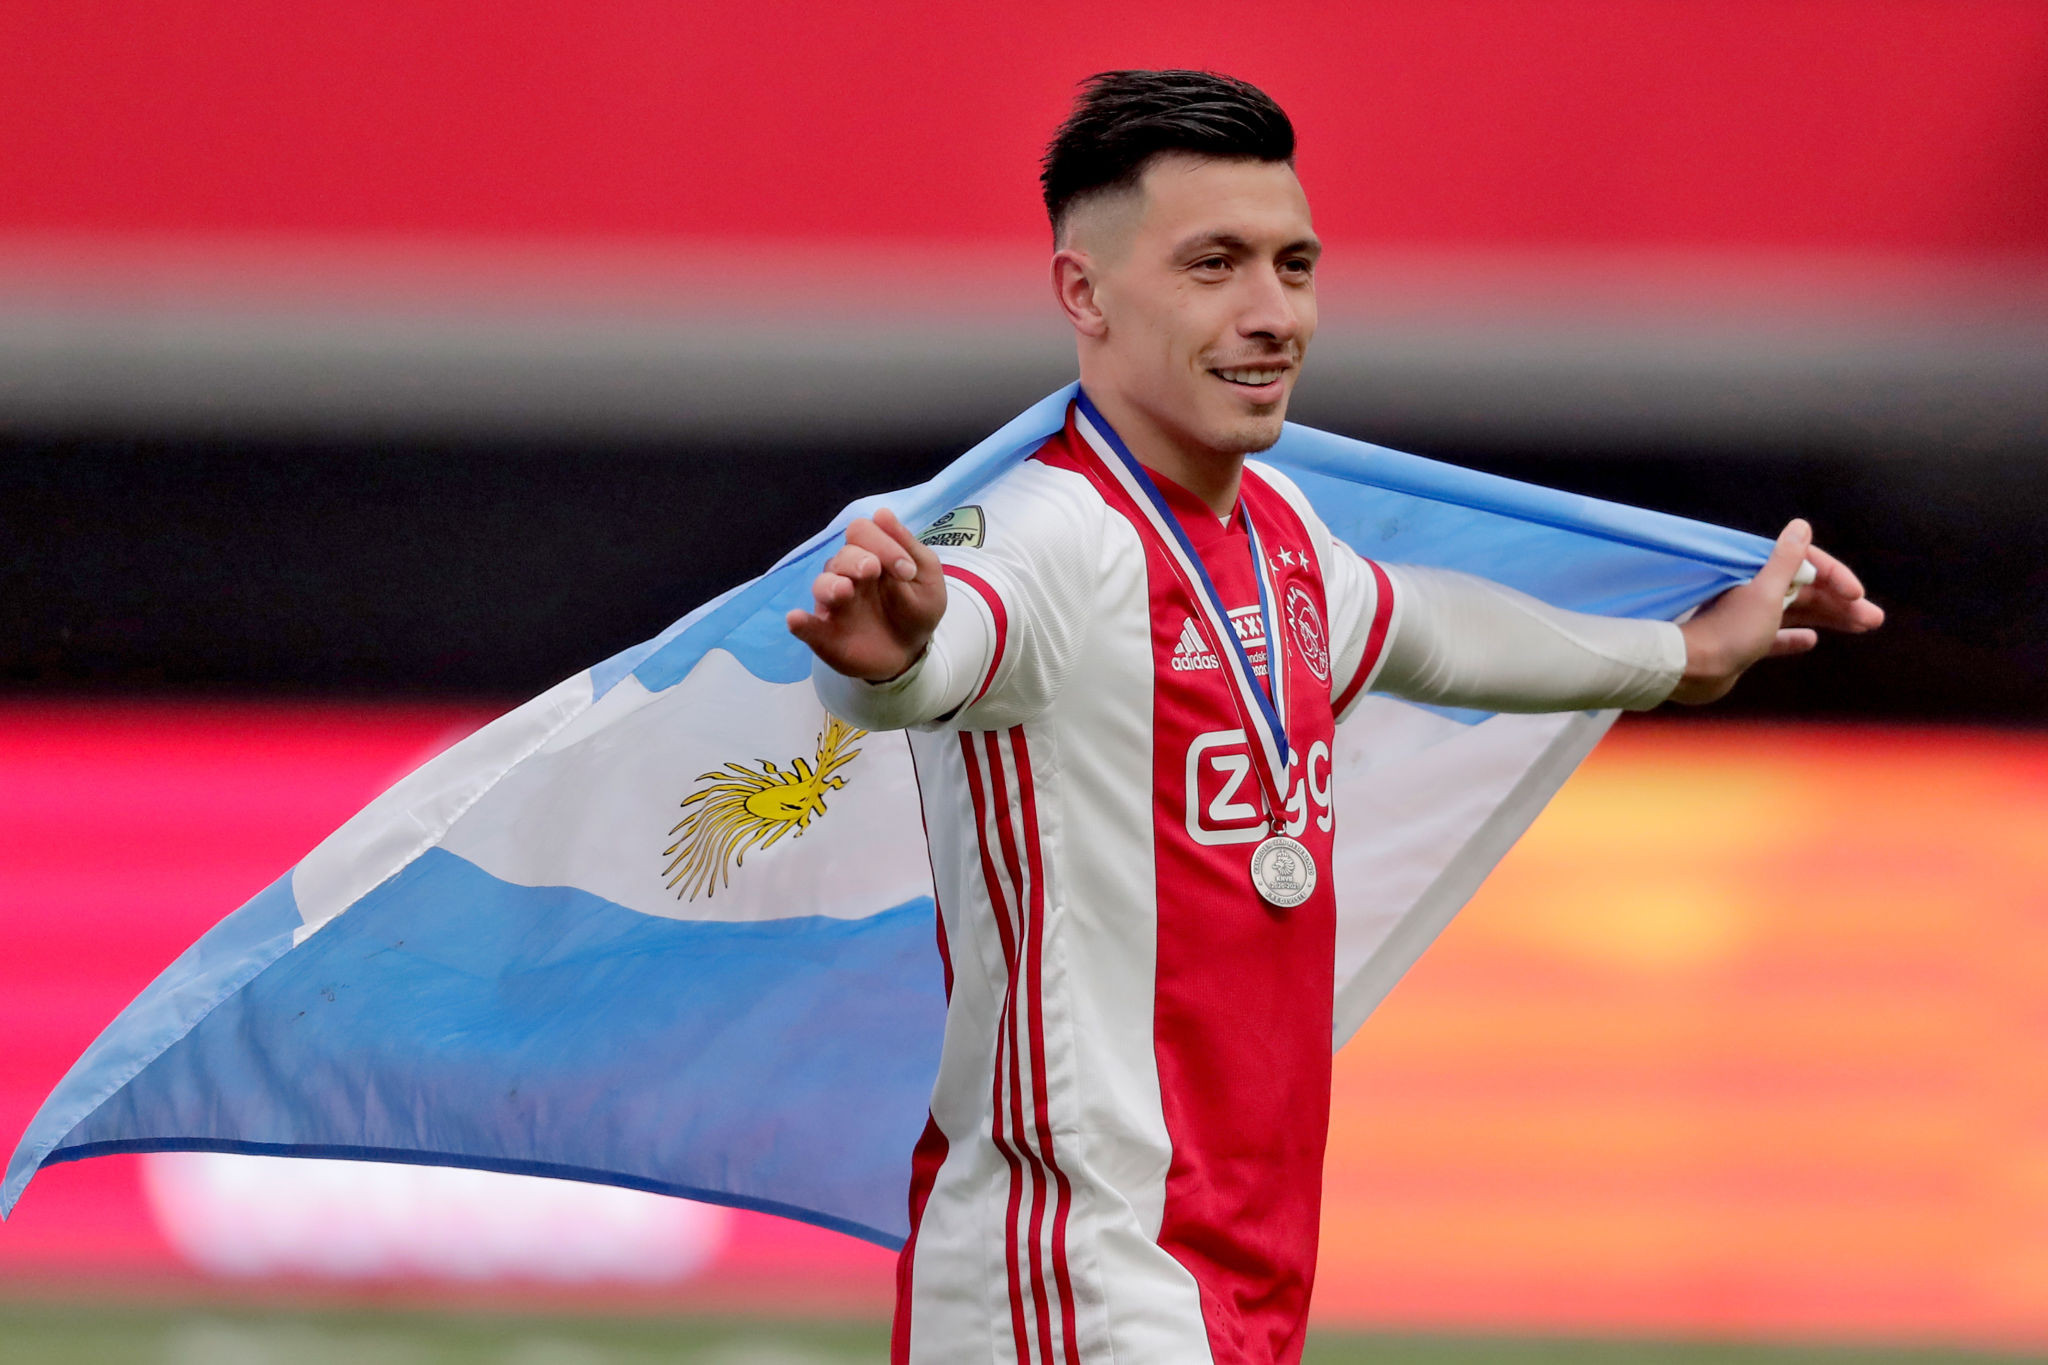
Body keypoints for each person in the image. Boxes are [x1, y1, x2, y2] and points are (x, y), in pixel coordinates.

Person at [785, 70, 1881, 1365]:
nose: (1272, 313)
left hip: (1236, 1266)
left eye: (1293, 264)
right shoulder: (1050, 531)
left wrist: (1681, 656)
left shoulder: (1278, 532)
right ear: (1084, 294)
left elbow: (1424, 625)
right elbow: (955, 636)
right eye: (1214, 265)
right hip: (1072, 1277)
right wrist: (891, 654)